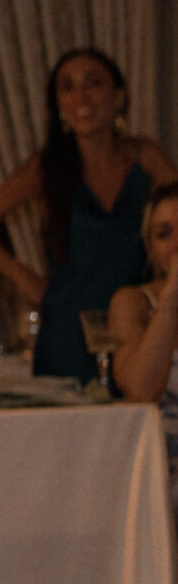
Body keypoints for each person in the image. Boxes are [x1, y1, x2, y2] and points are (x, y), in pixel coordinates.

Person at [0, 48, 176, 380]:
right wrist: (23, 277)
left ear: (119, 97)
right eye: (67, 87)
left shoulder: (144, 157)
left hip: (135, 328)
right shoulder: (46, 168)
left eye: (93, 83)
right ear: (59, 105)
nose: (81, 96)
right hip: (67, 332)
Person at [100, 182, 178, 511]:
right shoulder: (133, 303)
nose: (177, 244)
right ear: (151, 248)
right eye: (164, 234)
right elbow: (141, 392)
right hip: (164, 480)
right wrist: (171, 298)